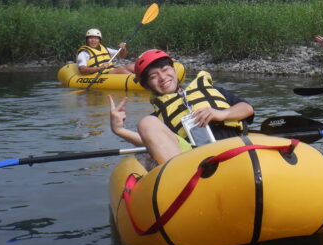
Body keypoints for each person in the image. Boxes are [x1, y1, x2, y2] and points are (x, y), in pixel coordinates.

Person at [108, 49, 255, 164]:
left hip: (237, 148)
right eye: (153, 76)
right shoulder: (156, 120)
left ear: (174, 70)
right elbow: (150, 141)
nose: (163, 77)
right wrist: (119, 130)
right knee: (146, 123)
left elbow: (247, 109)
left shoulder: (210, 90)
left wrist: (221, 114)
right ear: (147, 86)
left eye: (165, 70)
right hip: (198, 163)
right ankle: (186, 181)